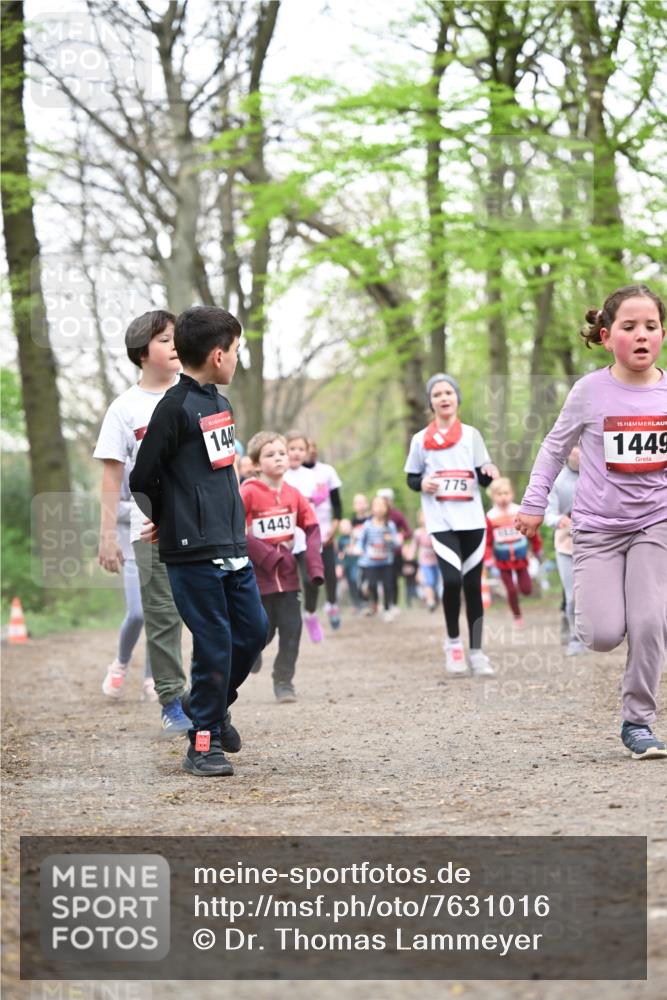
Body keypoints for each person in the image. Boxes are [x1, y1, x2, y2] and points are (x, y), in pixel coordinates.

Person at [516, 284, 667, 760]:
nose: (641, 335)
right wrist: (533, 503)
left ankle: (638, 721)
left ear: (662, 335)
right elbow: (553, 449)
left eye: (651, 326)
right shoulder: (589, 391)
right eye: (629, 326)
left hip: (655, 522)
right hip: (598, 528)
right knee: (601, 634)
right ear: (606, 336)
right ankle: (605, 615)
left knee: (650, 621)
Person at [130, 305, 269, 777]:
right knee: (214, 642)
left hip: (231, 545)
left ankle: (208, 704)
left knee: (253, 632)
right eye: (236, 350)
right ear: (217, 355)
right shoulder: (173, 408)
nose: (237, 358)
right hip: (191, 552)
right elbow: (142, 477)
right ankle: (202, 742)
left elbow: (219, 474)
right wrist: (166, 519)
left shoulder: (221, 405)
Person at [94, 310, 190, 733]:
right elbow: (112, 475)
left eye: (177, 338)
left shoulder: (197, 394)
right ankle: (171, 700)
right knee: (158, 613)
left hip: (197, 525)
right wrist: (106, 536)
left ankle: (208, 696)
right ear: (141, 353)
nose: (175, 345)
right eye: (165, 339)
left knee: (204, 614)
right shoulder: (124, 409)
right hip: (146, 529)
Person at [405, 373, 499, 676]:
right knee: (452, 581)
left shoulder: (472, 435)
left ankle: (477, 652)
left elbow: (483, 478)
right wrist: (423, 483)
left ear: (457, 398)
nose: (443, 398)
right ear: (430, 403)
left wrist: (489, 472)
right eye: (437, 394)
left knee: (472, 585)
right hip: (441, 521)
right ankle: (454, 644)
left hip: (472, 520)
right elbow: (411, 478)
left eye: (448, 392)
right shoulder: (420, 439)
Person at [240, 432, 324, 702]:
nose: (278, 458)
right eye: (270, 454)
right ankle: (251, 653)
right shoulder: (248, 492)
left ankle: (283, 680)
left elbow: (312, 527)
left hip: (288, 576)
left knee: (292, 629)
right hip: (257, 578)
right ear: (256, 464)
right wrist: (266, 555)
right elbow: (232, 529)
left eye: (282, 453)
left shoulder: (293, 494)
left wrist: (313, 564)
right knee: (262, 632)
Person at [99, 464, 155, 701]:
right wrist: (151, 507)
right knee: (137, 613)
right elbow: (114, 506)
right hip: (131, 547)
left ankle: (152, 677)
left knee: (159, 615)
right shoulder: (125, 464)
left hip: (164, 547)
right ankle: (120, 665)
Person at [485, 477, 542, 628]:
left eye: (506, 493)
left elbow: (532, 531)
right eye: (499, 494)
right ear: (493, 496)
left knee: (526, 590)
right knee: (511, 590)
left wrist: (537, 547)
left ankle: (520, 590)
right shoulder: (491, 517)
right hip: (502, 560)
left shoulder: (519, 511)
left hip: (520, 557)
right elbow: (488, 540)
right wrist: (488, 558)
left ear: (512, 494)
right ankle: (517, 616)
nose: (503, 497)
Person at [545, 446, 582, 653]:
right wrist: (560, 520)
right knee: (572, 594)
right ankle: (575, 638)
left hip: (598, 544)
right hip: (567, 543)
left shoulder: (601, 473)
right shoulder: (557, 480)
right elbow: (548, 514)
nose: (580, 452)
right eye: (576, 447)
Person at [305, 438, 343, 629]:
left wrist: (335, 526)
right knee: (311, 577)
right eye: (308, 448)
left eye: (314, 447)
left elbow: (337, 503)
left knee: (330, 573)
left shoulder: (327, 471)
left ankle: (332, 605)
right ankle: (310, 612)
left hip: (325, 531)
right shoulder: (292, 474)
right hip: (304, 533)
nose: (312, 451)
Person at [357, 495, 400, 621]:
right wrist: (359, 549)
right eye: (376, 505)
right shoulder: (367, 525)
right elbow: (361, 541)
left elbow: (397, 544)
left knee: (387, 585)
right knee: (372, 584)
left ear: (387, 508)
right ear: (372, 508)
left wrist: (391, 540)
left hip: (386, 562)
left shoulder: (390, 525)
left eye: (382, 505)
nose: (379, 508)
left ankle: (387, 609)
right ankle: (373, 601)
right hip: (371, 562)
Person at [376, 488, 412, 613]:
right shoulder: (374, 516)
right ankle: (382, 603)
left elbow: (408, 532)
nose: (385, 502)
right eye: (383, 500)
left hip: (395, 552)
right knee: (381, 579)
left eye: (387, 499)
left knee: (393, 578)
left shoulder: (396, 515)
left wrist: (399, 537)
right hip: (378, 553)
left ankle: (394, 604)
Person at [414, 509, 439, 611]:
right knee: (428, 581)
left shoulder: (435, 530)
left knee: (435, 581)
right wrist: (410, 554)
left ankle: (435, 598)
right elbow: (414, 545)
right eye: (422, 516)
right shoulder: (418, 533)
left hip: (436, 561)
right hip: (424, 562)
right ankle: (430, 601)